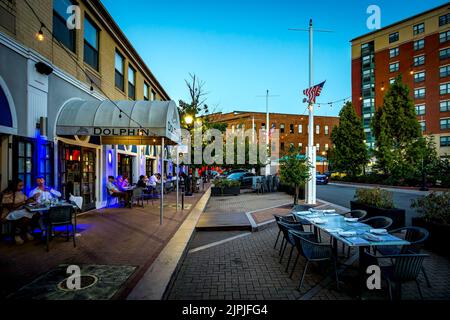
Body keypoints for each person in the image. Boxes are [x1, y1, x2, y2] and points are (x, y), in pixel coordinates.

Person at [1, 179, 39, 244]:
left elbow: (26, 200)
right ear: (14, 185)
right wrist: (24, 202)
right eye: (20, 186)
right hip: (10, 212)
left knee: (36, 214)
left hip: (20, 210)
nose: (22, 187)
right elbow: (11, 207)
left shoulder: (20, 192)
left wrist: (33, 198)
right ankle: (17, 234)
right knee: (25, 216)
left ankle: (26, 231)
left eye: (22, 185)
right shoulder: (8, 193)